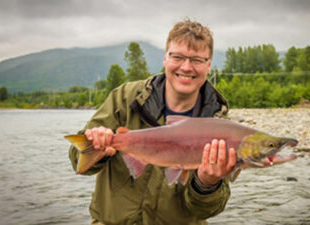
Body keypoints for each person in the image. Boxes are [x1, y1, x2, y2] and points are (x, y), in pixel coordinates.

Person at [68, 19, 236, 225]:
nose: (186, 67)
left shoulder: (221, 127)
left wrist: (207, 183)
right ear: (165, 59)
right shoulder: (125, 98)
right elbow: (78, 160)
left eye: (197, 60)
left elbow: (207, 210)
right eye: (178, 57)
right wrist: (96, 147)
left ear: (208, 65)